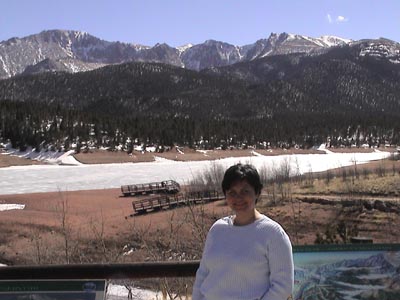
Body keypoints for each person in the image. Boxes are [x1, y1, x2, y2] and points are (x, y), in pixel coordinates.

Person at [192, 163, 294, 300]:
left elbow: (283, 286)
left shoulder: (273, 234)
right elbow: (203, 274)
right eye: (232, 193)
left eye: (245, 191)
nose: (238, 198)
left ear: (257, 192)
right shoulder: (217, 229)